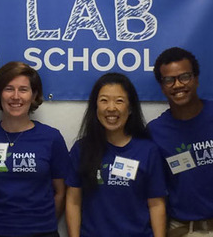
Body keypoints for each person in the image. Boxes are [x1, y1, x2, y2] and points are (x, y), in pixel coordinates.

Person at [148, 47, 213, 237]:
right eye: (169, 80)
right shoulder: (155, 131)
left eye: (185, 76)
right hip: (183, 230)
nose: (177, 85)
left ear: (196, 79)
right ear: (162, 86)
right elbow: (154, 190)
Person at [0, 61, 69, 237]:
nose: (15, 96)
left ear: (34, 95)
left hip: (41, 231)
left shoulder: (52, 138)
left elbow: (61, 192)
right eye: (8, 89)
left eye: (23, 89)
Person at [65, 73, 166, 237]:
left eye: (119, 101)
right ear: (95, 106)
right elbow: (73, 201)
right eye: (104, 100)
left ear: (131, 107)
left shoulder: (148, 151)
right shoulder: (82, 148)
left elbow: (156, 204)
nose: (111, 108)